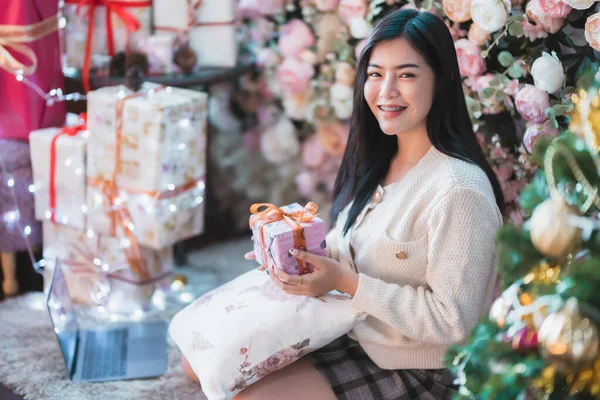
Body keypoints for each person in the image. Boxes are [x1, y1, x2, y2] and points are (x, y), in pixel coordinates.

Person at [183, 7, 505, 399]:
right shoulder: (382, 159)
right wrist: (291, 249)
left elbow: (456, 322)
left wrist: (345, 282)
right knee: (197, 360)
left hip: (418, 366)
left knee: (241, 395)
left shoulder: (459, 190)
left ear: (443, 78)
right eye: (375, 74)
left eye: (406, 74)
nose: (386, 91)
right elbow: (347, 246)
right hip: (350, 329)